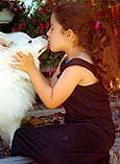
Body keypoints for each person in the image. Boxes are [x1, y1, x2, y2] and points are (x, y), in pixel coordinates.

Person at [10, 2, 119, 164]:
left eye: (52, 28)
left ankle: (92, 158)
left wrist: (32, 69)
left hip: (95, 135)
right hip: (77, 130)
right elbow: (51, 87)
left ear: (69, 34)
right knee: (21, 136)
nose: (47, 33)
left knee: (30, 142)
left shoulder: (78, 66)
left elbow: (51, 101)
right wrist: (25, 73)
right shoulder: (68, 59)